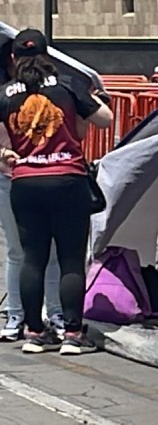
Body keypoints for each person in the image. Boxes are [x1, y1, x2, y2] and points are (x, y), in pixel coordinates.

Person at [0, 30, 113, 355]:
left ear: (13, 58)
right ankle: (72, 333)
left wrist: (5, 155)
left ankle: (34, 332)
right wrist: (91, 108)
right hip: (67, 180)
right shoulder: (66, 84)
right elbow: (105, 120)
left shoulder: (6, 92)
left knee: (32, 258)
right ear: (47, 55)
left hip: (26, 182)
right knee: (70, 260)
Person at [0, 40, 63, 341]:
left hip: (18, 178)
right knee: (40, 253)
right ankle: (48, 315)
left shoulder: (10, 92)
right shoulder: (59, 89)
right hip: (35, 176)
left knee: (21, 252)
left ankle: (23, 316)